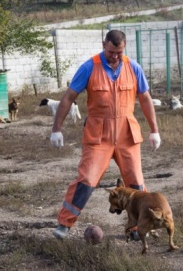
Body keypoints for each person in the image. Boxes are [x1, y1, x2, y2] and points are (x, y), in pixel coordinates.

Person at [50, 29, 161, 240]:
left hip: (127, 135)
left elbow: (145, 99)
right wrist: (56, 129)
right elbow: (68, 98)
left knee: (136, 184)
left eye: (119, 52)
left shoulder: (133, 67)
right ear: (104, 45)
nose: (115, 56)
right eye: (111, 52)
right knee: (86, 180)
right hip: (98, 137)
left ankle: (140, 227)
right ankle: (65, 223)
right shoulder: (90, 67)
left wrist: (154, 130)